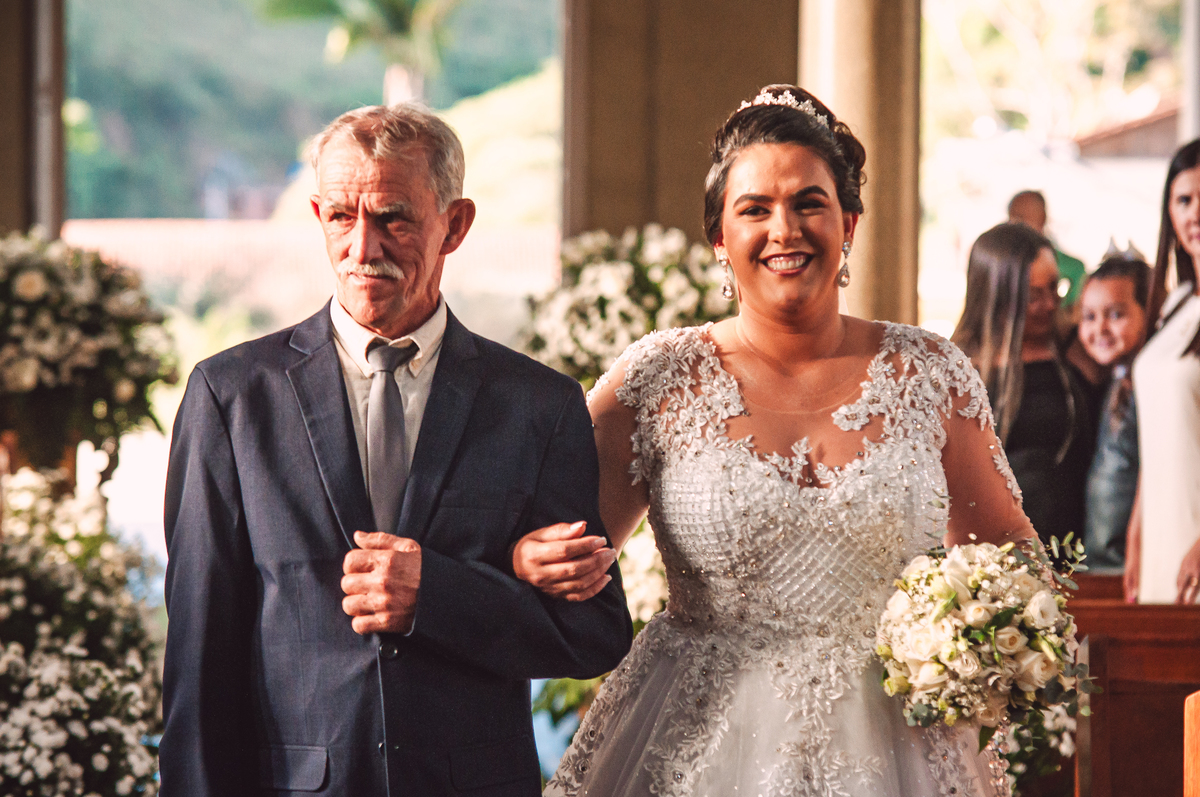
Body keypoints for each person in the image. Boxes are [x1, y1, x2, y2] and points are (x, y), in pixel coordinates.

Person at [512, 85, 1034, 796]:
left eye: (809, 204)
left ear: (848, 223)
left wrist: (989, 641)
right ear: (720, 239)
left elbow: (1010, 548)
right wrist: (527, 552)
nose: (784, 229)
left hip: (902, 746)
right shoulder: (658, 377)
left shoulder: (932, 372)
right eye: (755, 209)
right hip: (695, 741)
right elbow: (567, 539)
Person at [159, 104, 633, 796]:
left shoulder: (540, 405)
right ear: (318, 214)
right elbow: (198, 661)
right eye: (341, 217)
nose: (362, 246)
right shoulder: (229, 397)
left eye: (393, 218)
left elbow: (593, 633)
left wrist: (437, 591)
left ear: (456, 224)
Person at [950, 223, 1100, 550]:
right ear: (996, 294)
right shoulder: (956, 370)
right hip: (990, 562)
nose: (1050, 304)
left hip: (1079, 554)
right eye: (1034, 295)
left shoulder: (1076, 347)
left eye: (1054, 288)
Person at [1125, 138, 1200, 605]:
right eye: (1184, 200)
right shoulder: (1174, 306)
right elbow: (1159, 435)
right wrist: (1136, 530)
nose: (1196, 213)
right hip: (1161, 534)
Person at [1078, 254, 1151, 573]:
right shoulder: (1114, 380)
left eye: (1116, 314)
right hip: (1101, 561)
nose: (1099, 328)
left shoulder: (1145, 386)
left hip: (1127, 563)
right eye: (1089, 316)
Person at [1007, 189, 1086, 313]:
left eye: (1021, 216)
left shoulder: (1071, 268)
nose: (1014, 223)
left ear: (1043, 217)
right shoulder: (1004, 262)